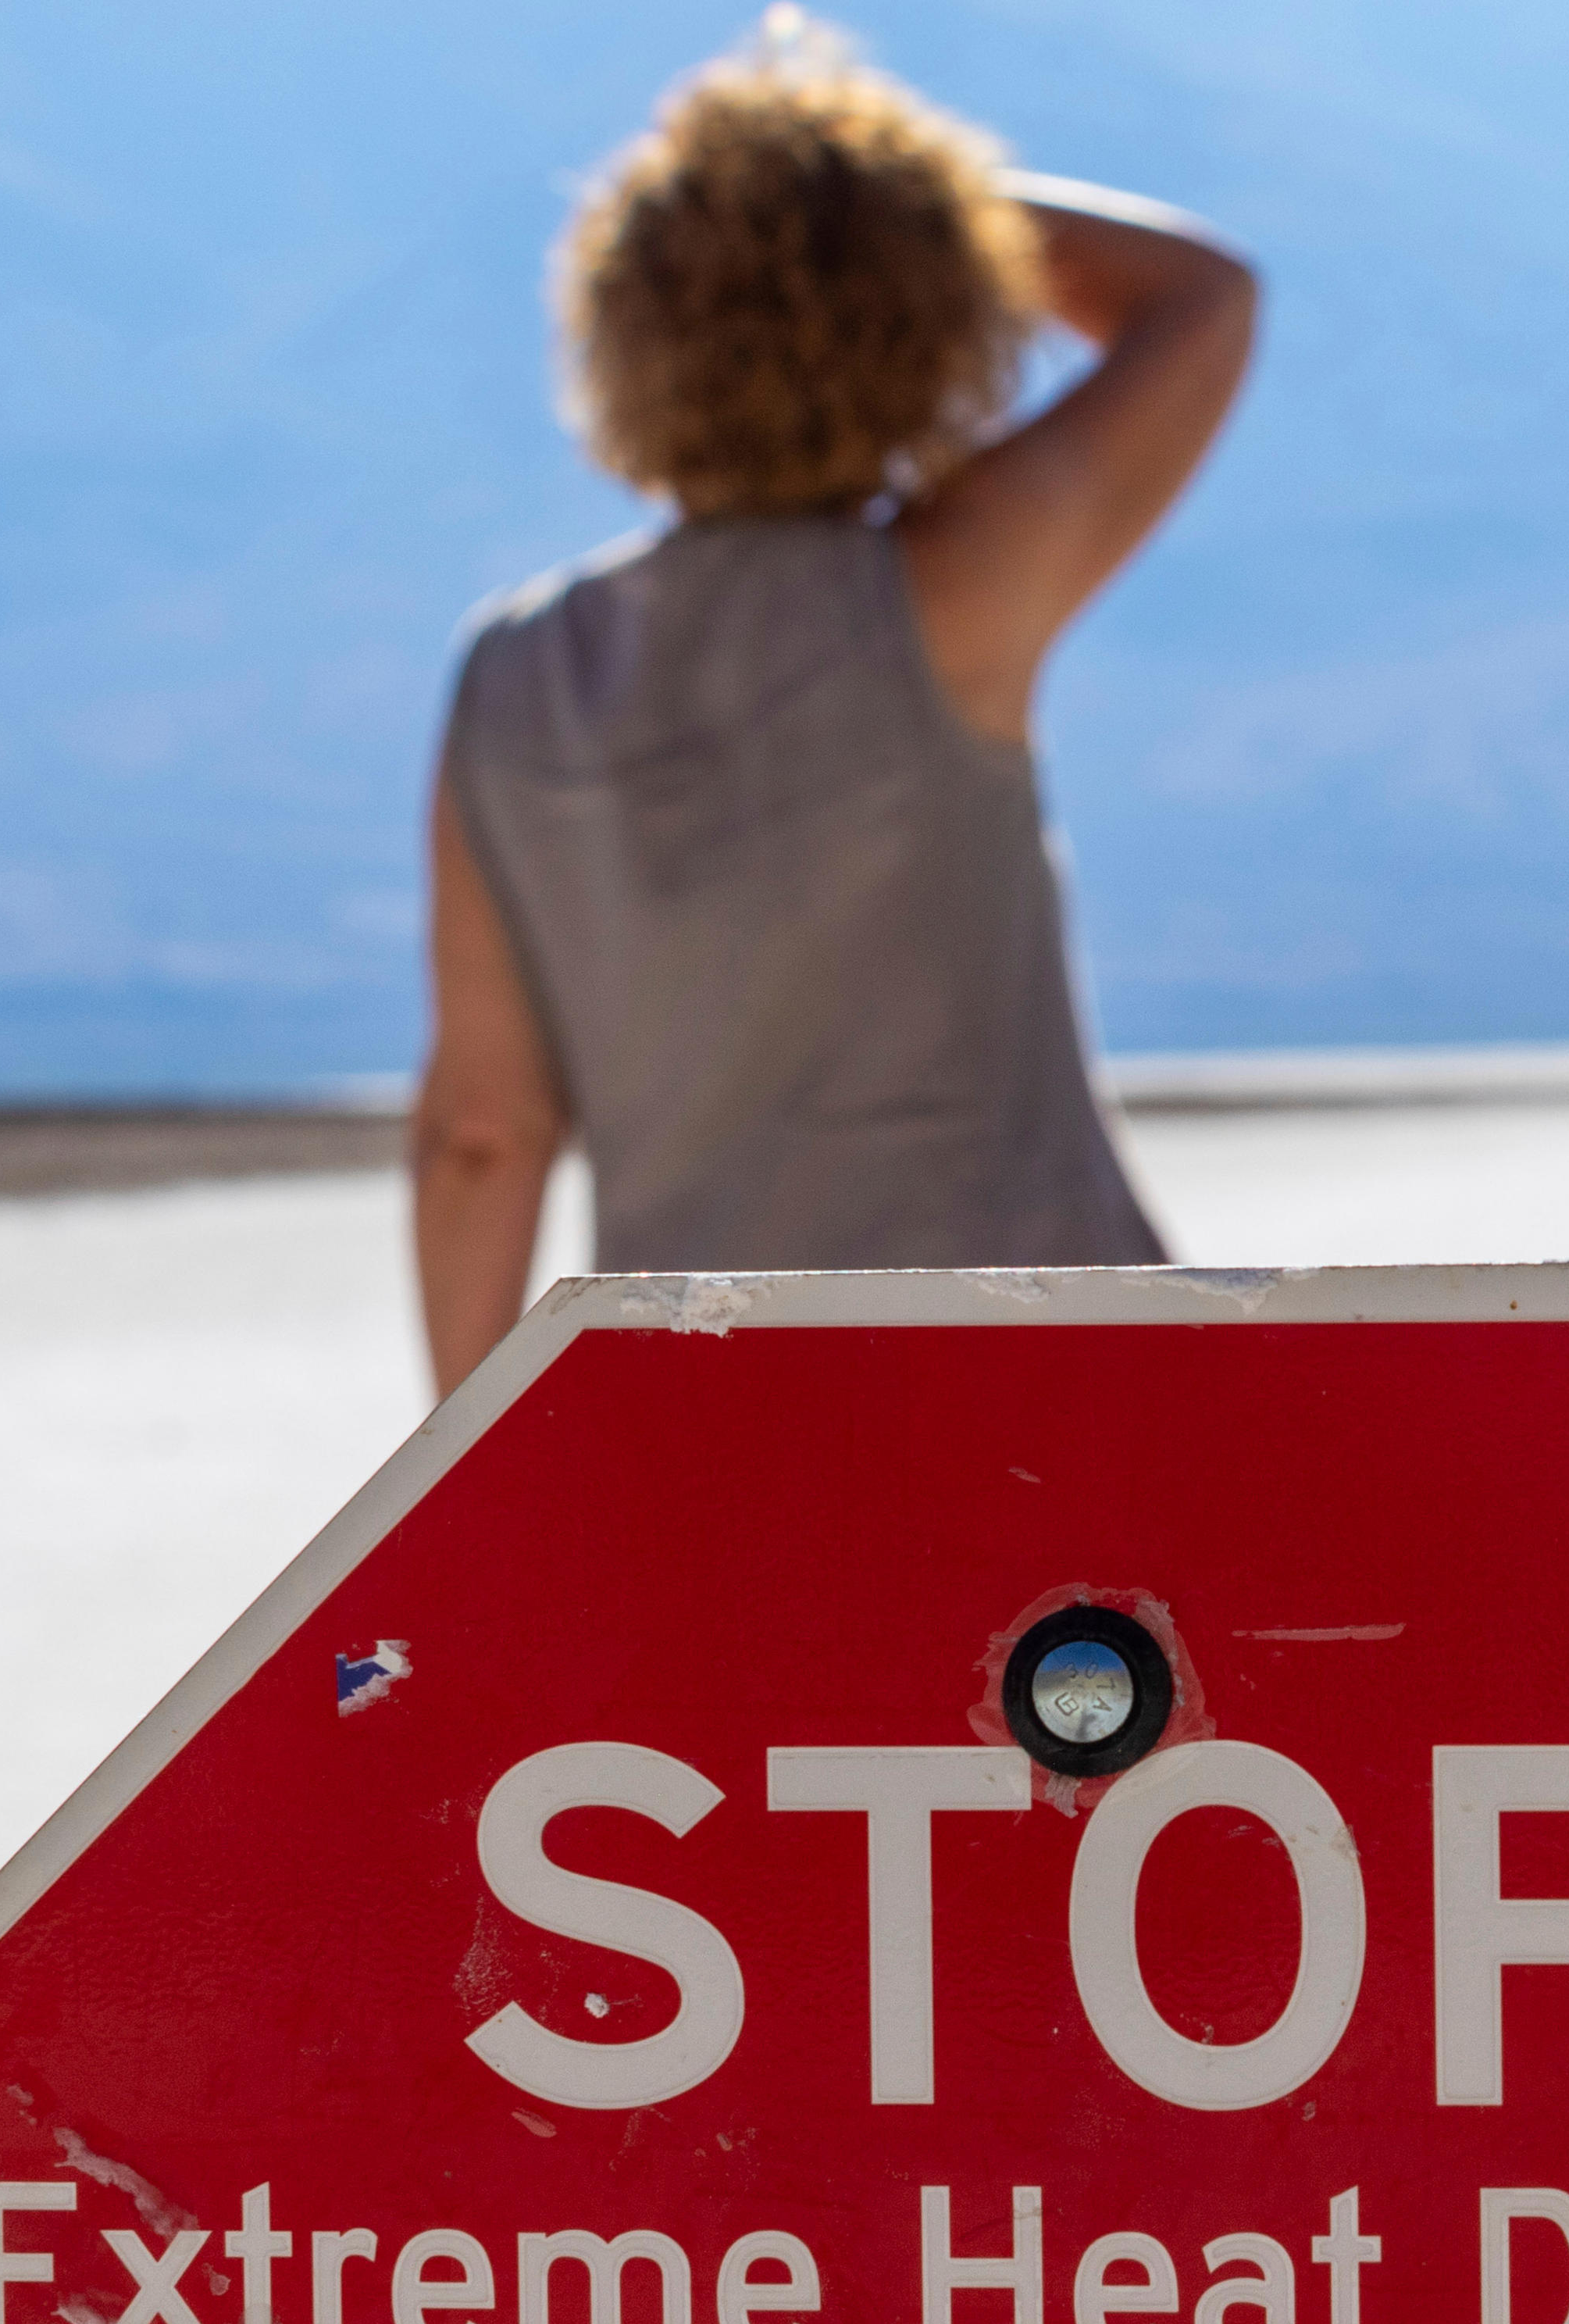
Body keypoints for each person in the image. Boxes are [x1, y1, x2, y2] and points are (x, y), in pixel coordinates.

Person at [408, 10, 1256, 1395]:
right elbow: (1201, 300)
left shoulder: (519, 672)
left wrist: (473, 1483)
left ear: (619, 330)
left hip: (714, 1398)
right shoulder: (954, 586)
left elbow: (483, 1128)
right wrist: (897, 212)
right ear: (935, 326)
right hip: (1053, 1369)